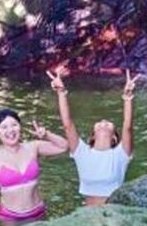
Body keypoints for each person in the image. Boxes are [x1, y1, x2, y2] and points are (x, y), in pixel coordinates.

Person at [47, 68, 138, 206]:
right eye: (100, 122)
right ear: (93, 135)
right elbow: (67, 124)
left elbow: (128, 127)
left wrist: (127, 97)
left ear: (114, 137)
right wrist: (61, 92)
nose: (103, 122)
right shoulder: (81, 152)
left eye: (108, 123)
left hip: (114, 212)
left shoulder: (120, 154)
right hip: (88, 213)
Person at [0, 108, 67, 224]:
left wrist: (47, 134)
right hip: (10, 217)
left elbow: (63, 147)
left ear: (20, 127)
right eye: (4, 127)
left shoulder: (33, 147)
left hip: (38, 211)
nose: (10, 130)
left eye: (14, 125)